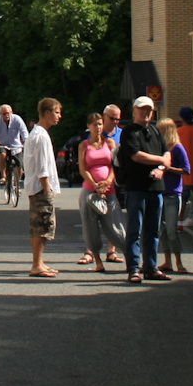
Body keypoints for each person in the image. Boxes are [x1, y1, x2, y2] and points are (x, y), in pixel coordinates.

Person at [116, 96, 173, 284]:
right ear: (134, 111)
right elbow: (136, 155)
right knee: (135, 230)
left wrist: (161, 168)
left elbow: (167, 152)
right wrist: (161, 160)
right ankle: (133, 269)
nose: (146, 112)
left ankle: (151, 267)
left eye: (149, 109)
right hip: (136, 187)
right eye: (142, 109)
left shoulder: (156, 130)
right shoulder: (129, 132)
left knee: (153, 230)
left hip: (156, 188)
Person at [74, 112, 127, 271]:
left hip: (109, 191)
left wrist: (108, 181)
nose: (98, 127)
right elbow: (83, 169)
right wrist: (95, 185)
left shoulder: (109, 143)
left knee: (117, 225)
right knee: (91, 227)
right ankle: (98, 261)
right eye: (94, 124)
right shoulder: (84, 145)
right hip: (90, 192)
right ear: (89, 126)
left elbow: (115, 165)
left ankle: (129, 259)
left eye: (100, 124)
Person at [22, 98, 64, 277]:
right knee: (42, 225)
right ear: (47, 113)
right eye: (56, 112)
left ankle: (39, 262)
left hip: (38, 187)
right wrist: (47, 187)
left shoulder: (39, 134)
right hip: (41, 188)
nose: (59, 116)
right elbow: (41, 166)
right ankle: (36, 264)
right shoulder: (40, 136)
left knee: (40, 225)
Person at [157, 118, 192, 274]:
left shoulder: (178, 148)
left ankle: (179, 261)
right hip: (160, 192)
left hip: (173, 194)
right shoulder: (159, 148)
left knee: (172, 230)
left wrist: (169, 168)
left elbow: (186, 169)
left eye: (160, 130)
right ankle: (167, 261)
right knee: (161, 230)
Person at [0, 104, 27, 203]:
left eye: (7, 113)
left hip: (16, 146)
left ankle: (17, 184)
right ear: (0, 114)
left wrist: (26, 141)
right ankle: (3, 176)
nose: (6, 115)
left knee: (19, 166)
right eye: (4, 114)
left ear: (11, 112)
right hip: (3, 145)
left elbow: (24, 131)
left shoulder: (17, 119)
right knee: (3, 155)